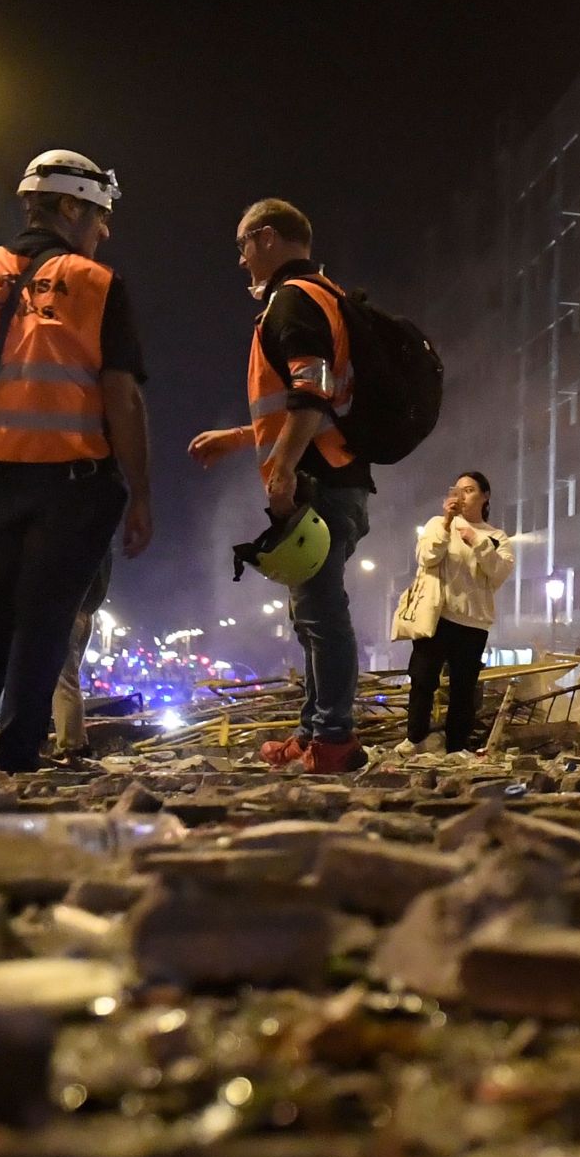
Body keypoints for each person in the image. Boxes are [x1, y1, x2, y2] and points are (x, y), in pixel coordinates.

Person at [0, 150, 152, 773]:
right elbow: (121, 397)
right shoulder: (99, 286)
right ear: (69, 207)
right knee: (46, 615)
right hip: (72, 480)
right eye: (99, 214)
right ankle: (18, 752)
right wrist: (142, 493)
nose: (105, 230)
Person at [189, 199, 373, 774]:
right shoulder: (323, 294)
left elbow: (310, 394)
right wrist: (242, 438)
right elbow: (310, 405)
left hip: (321, 479)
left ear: (266, 238)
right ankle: (315, 730)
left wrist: (285, 471)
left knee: (321, 612)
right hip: (335, 473)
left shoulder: (292, 301)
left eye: (243, 246)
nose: (241, 260)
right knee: (310, 611)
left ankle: (334, 741)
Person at [402, 471, 512, 754]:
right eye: (458, 489)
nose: (462, 495)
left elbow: (498, 573)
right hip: (437, 615)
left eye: (470, 490)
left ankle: (456, 748)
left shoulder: (495, 536)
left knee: (464, 689)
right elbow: (426, 557)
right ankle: (415, 739)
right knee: (423, 678)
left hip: (473, 622)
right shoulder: (438, 524)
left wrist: (478, 541)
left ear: (484, 496)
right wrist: (447, 523)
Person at [53, 559, 110, 760]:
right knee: (68, 680)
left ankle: (71, 745)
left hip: (67, 610)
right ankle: (76, 742)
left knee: (62, 680)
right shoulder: (101, 538)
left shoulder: (75, 534)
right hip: (85, 612)